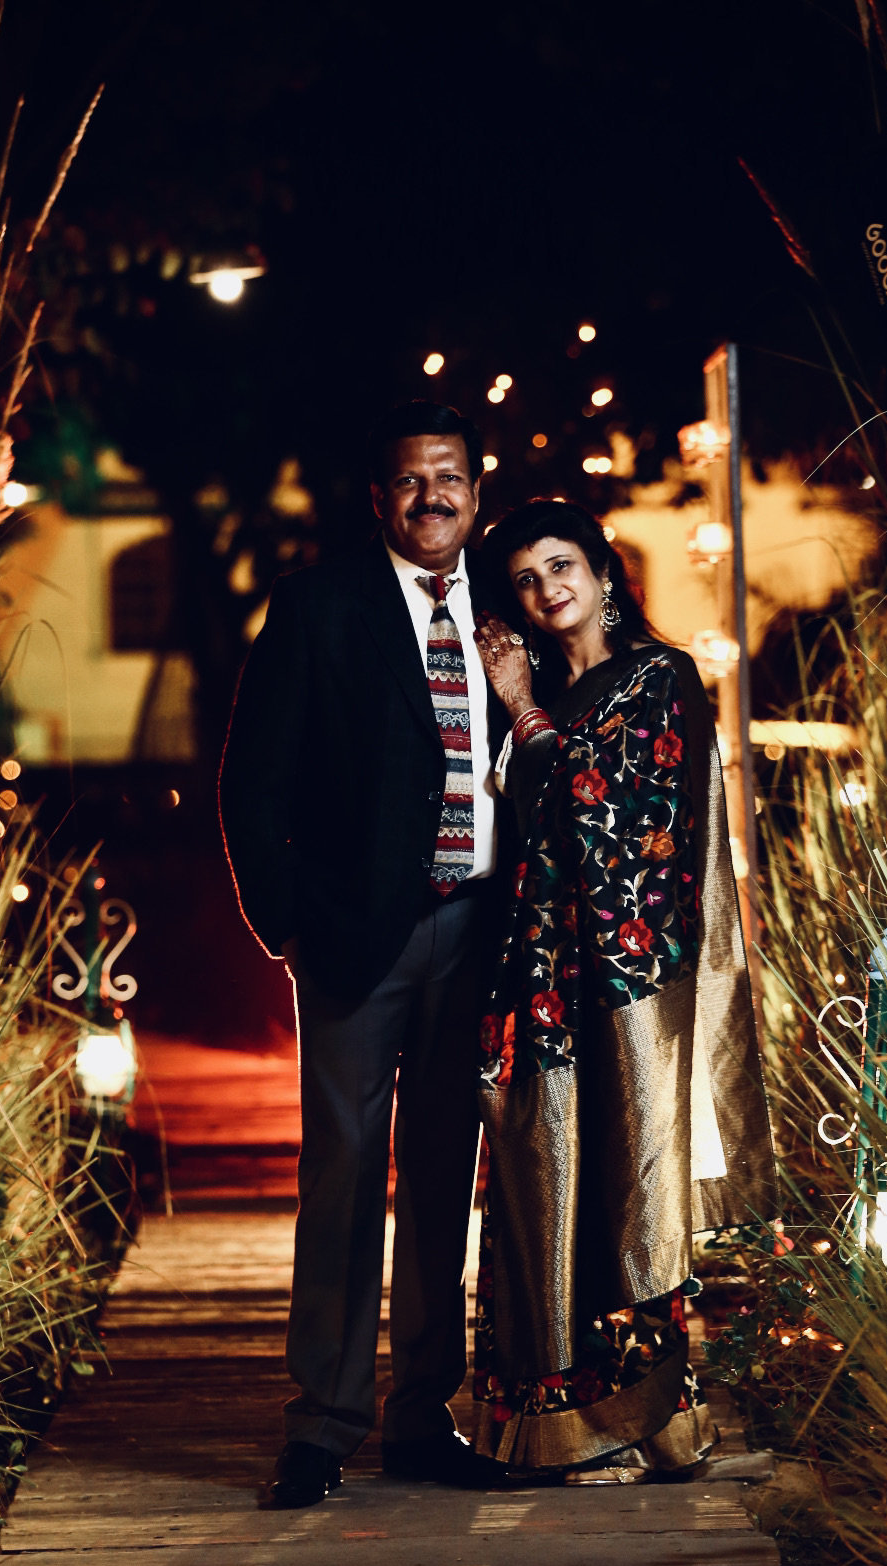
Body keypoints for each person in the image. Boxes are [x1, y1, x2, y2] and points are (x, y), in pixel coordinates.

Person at [220, 400, 512, 1508]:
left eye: (448, 479)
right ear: (376, 496)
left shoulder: (511, 604)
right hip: (353, 936)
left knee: (444, 1180)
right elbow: (253, 784)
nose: (428, 497)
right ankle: (322, 1423)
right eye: (407, 481)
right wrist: (284, 924)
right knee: (342, 1176)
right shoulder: (318, 606)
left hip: (477, 930)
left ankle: (419, 1412)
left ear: (475, 495)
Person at [468, 498, 777, 1483]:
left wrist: (520, 707)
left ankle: (651, 1421)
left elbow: (607, 807)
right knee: (540, 1181)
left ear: (603, 572)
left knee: (627, 1190)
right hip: (541, 986)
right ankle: (562, 1425)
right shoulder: (527, 701)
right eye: (523, 577)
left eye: (561, 564)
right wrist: (517, 712)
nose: (545, 587)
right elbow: (516, 832)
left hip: (628, 987)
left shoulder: (657, 677)